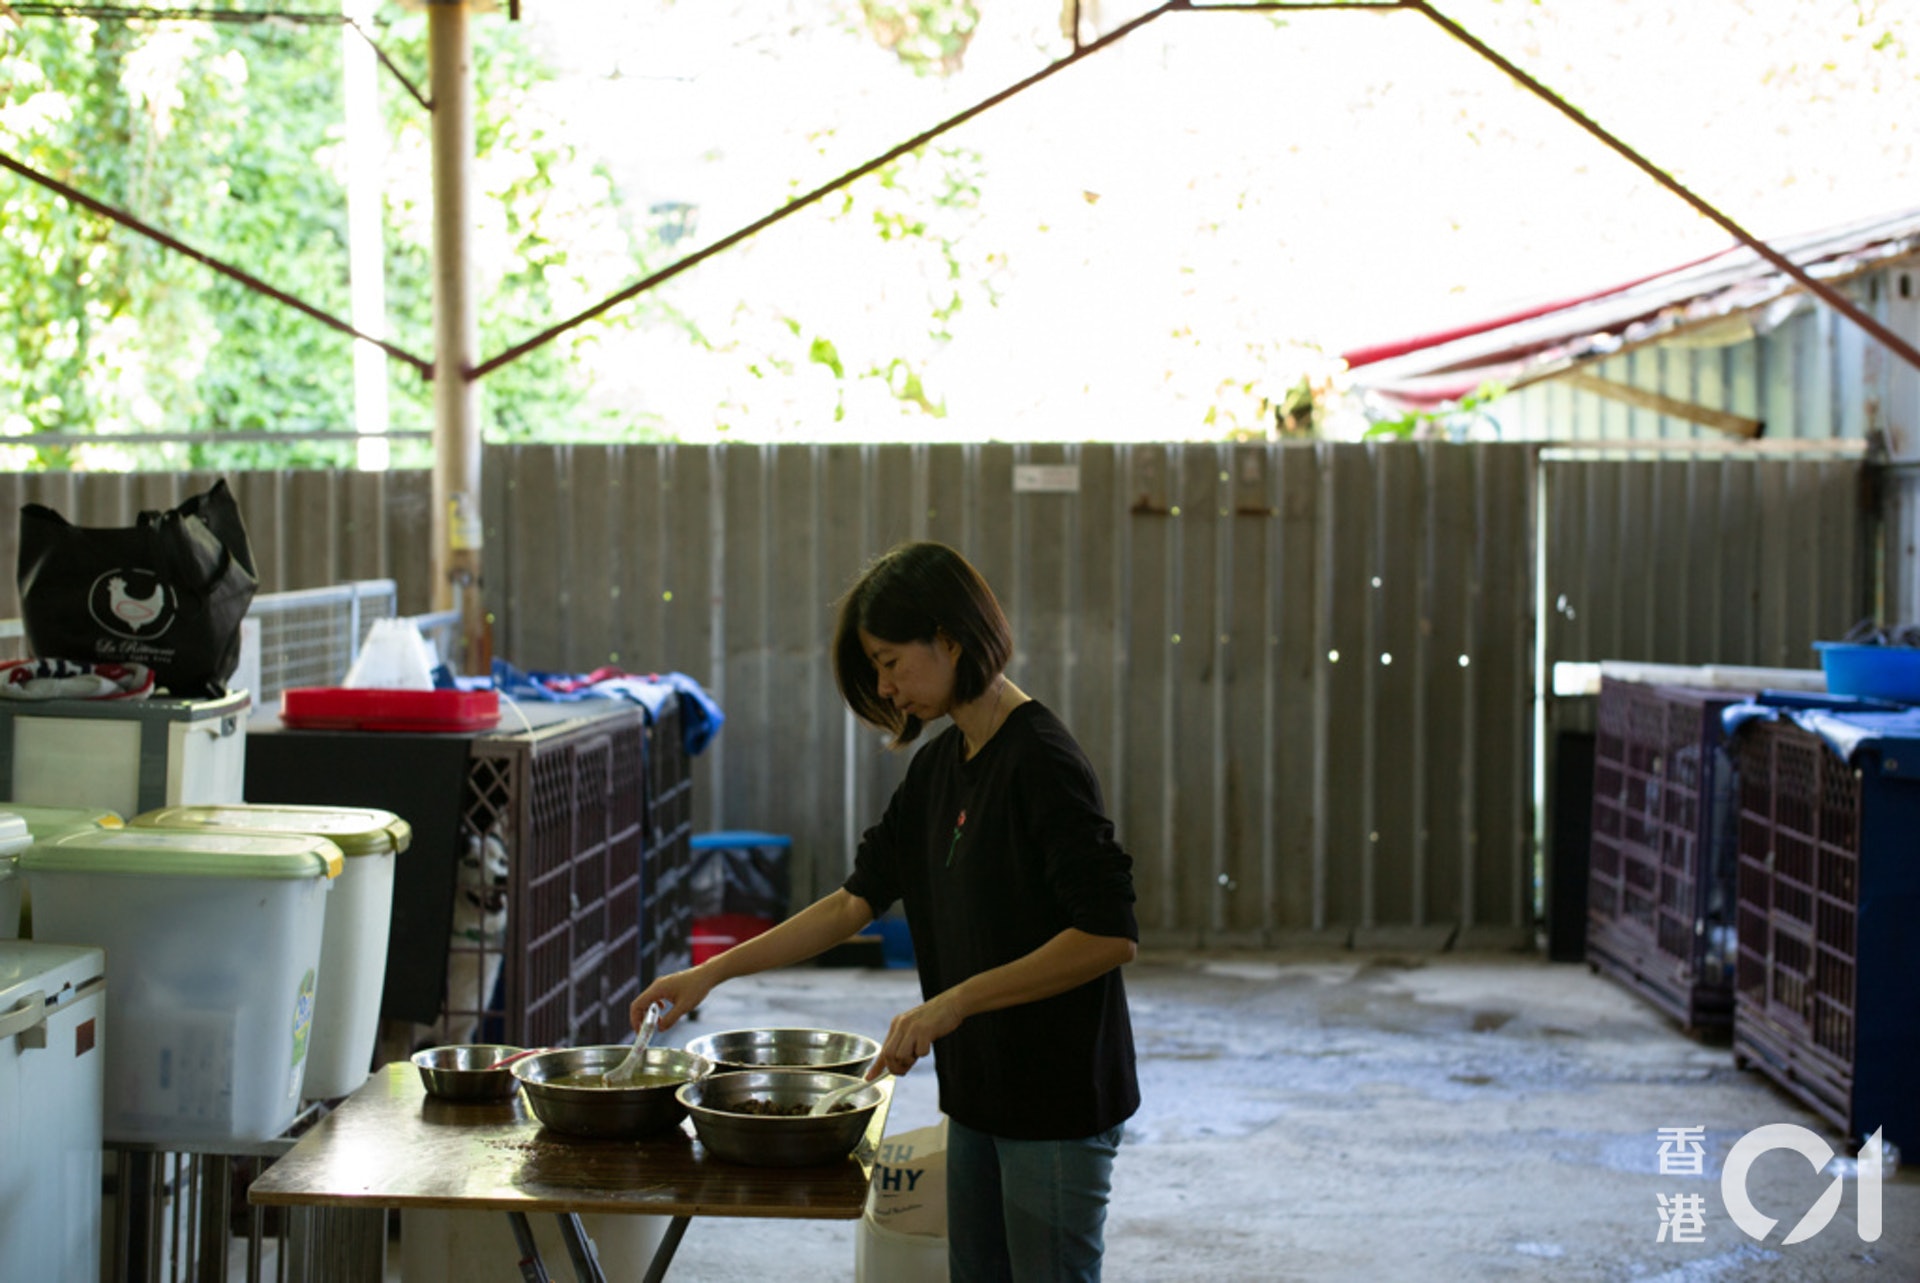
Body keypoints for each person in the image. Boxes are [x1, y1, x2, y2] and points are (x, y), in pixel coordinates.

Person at [630, 539, 1140, 1282]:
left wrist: (950, 1004)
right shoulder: (940, 766)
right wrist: (711, 974)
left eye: (890, 660)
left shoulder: (1041, 762)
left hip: (1056, 1101)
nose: (885, 685)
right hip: (979, 1096)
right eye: (875, 667)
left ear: (949, 638)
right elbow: (851, 902)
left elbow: (1107, 933)